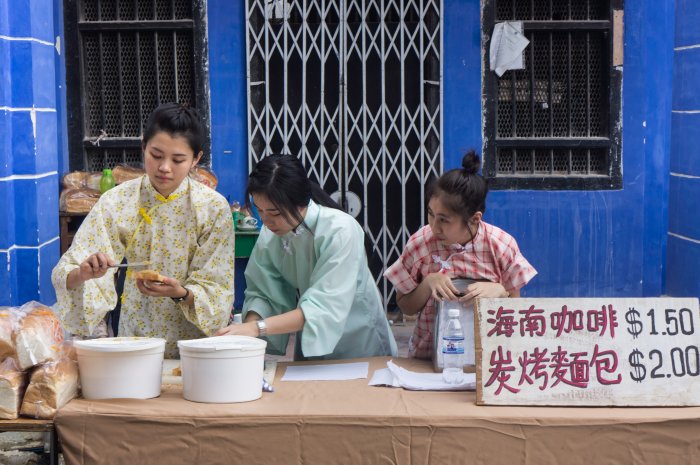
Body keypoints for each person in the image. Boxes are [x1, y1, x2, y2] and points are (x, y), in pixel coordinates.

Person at [52, 103, 235, 358]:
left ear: (196, 159)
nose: (164, 167)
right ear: (143, 146)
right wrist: (84, 272)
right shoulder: (117, 200)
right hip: (135, 336)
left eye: (178, 160)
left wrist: (180, 293)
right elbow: (68, 271)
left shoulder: (213, 208)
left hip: (197, 347)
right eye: (156, 155)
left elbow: (217, 288)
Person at [216, 154, 397, 361]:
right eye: (260, 210)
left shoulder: (339, 230)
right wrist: (245, 331)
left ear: (301, 204)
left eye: (274, 213)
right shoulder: (270, 235)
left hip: (359, 338)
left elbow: (324, 305)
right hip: (309, 332)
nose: (266, 221)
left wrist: (257, 328)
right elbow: (263, 292)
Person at [384, 150, 537, 359]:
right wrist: (428, 283)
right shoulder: (420, 243)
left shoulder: (501, 245)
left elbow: (516, 312)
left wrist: (501, 291)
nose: (434, 227)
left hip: (488, 361)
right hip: (426, 358)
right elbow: (405, 306)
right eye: (430, 214)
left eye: (444, 220)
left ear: (474, 219)